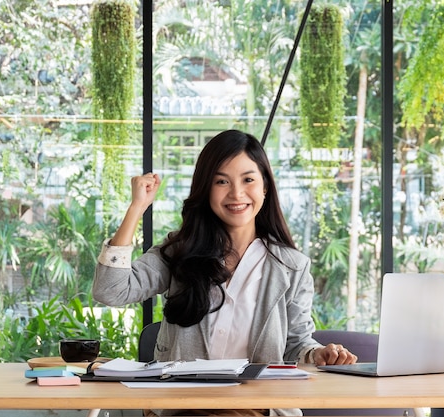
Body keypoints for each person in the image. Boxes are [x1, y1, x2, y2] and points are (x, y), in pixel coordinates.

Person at [93, 129, 357, 416]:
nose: (236, 194)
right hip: (182, 406)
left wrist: (318, 354)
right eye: (221, 181)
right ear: (206, 189)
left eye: (248, 180)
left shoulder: (292, 267)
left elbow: (296, 343)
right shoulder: (180, 251)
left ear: (265, 187)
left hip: (257, 407)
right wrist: (137, 208)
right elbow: (111, 290)